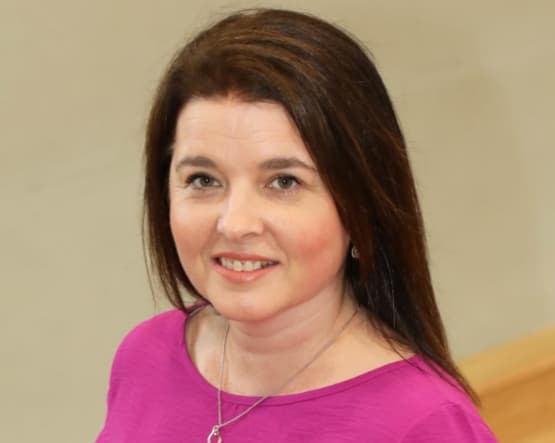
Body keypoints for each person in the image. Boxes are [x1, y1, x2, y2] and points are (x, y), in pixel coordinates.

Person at [96, 8, 499, 443]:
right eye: (203, 180)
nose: (235, 223)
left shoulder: (422, 423)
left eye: (283, 182)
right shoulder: (145, 356)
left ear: (360, 205)